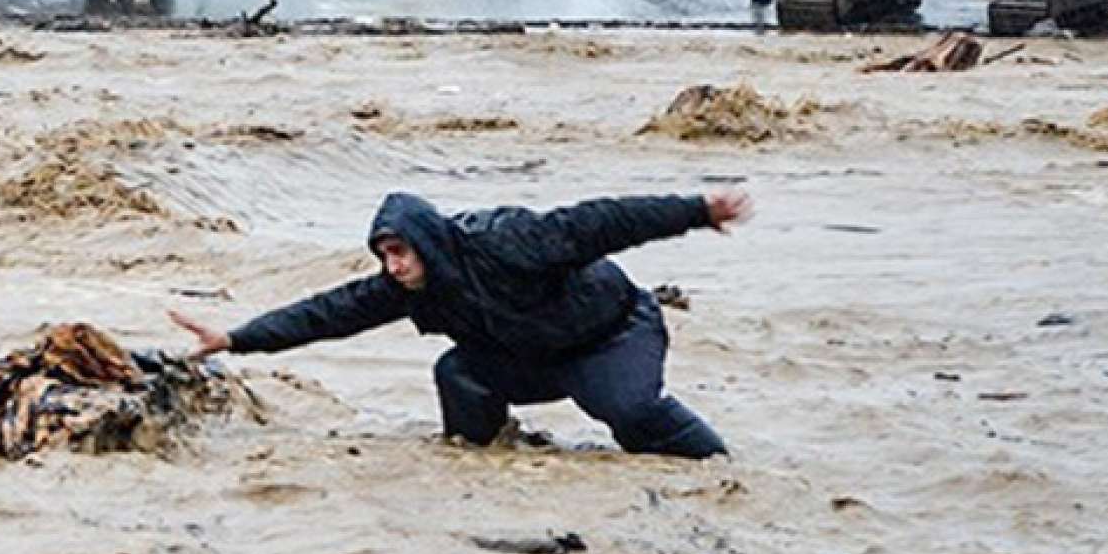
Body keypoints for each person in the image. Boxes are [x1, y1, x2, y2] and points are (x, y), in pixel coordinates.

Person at [169, 189, 751, 459]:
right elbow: (328, 313)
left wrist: (697, 212)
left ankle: (714, 467)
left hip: (612, 333)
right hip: (531, 355)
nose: (393, 266)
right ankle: (484, 454)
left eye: (401, 251)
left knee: (626, 411)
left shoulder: (507, 240)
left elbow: (602, 222)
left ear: (427, 242)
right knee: (459, 372)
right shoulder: (409, 287)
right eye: (384, 255)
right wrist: (235, 338)